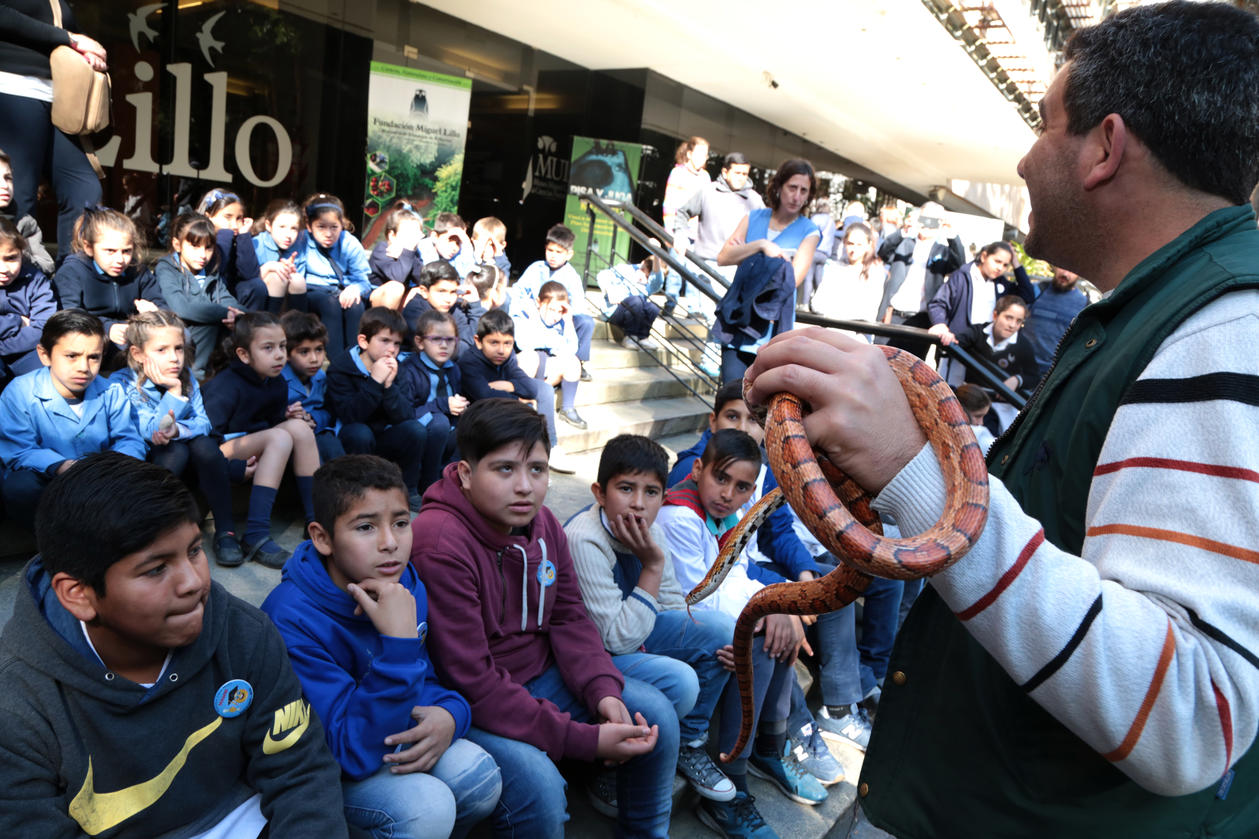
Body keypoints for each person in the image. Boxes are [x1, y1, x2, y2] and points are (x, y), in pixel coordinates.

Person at [744, 4, 1259, 836]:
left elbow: (1194, 716)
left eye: (1045, 126)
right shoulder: (1156, 317)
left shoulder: (1224, 331)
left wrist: (914, 471)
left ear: (1104, 147)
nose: (1024, 157)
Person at [0, 452, 347, 837]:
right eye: (155, 569)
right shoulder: (17, 705)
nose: (195, 582)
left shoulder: (243, 631)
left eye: (195, 550)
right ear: (78, 594)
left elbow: (299, 769)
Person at [410, 398, 678, 838]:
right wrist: (584, 740)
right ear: (464, 474)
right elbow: (472, 680)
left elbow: (571, 619)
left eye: (537, 469)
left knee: (655, 717)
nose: (525, 487)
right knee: (541, 788)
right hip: (472, 702)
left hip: (542, 673)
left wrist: (602, 692)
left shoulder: (545, 524)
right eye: (504, 469)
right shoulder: (440, 543)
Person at [261, 455, 501, 839]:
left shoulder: (404, 584)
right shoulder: (290, 619)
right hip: (329, 767)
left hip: (384, 730)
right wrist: (399, 646)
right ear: (322, 538)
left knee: (478, 777)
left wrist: (451, 714)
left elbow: (428, 677)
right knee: (427, 808)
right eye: (366, 527)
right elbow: (346, 752)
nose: (390, 544)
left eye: (401, 523)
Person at [657, 429, 825, 835]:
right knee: (762, 632)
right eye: (721, 479)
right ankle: (733, 779)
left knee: (777, 621)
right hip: (676, 627)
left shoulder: (723, 516)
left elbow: (735, 576)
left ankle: (768, 745)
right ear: (698, 470)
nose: (728, 493)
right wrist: (765, 611)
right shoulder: (679, 516)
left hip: (705, 620)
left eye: (742, 487)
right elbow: (699, 595)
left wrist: (775, 605)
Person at [565, 434, 737, 805]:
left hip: (634, 634)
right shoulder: (584, 540)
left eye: (652, 492)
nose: (639, 504)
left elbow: (674, 605)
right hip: (596, 656)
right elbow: (614, 639)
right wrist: (652, 566)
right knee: (683, 681)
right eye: (626, 488)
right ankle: (608, 769)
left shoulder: (651, 530)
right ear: (599, 492)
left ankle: (689, 741)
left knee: (723, 631)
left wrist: (700, 644)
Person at [112, 310, 245, 567]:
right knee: (176, 451)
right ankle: (156, 530)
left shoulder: (188, 377)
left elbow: (204, 423)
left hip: (192, 463)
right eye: (161, 350)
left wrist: (179, 430)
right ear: (138, 354)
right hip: (151, 465)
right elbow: (150, 431)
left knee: (204, 446)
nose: (174, 358)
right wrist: (173, 392)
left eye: (179, 349)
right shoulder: (123, 383)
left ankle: (226, 531)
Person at [0, 309, 145, 524]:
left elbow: (128, 439)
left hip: (102, 480)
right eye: (71, 356)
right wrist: (61, 465)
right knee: (20, 486)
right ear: (44, 355)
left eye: (93, 357)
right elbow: (19, 450)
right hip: (49, 480)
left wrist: (110, 468)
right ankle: (53, 547)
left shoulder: (111, 391)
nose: (84, 367)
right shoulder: (19, 392)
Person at [203, 312, 319, 569]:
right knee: (279, 436)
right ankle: (255, 534)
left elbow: (266, 420)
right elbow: (205, 441)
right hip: (219, 452)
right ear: (244, 355)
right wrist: (232, 468)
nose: (279, 355)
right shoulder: (225, 386)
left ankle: (314, 519)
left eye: (282, 346)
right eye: (268, 348)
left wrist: (288, 416)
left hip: (254, 444)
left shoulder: (276, 382)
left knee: (299, 428)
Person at [0, 1, 104, 256]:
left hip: (62, 99)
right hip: (13, 87)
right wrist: (71, 40)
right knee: (20, 197)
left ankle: (71, 282)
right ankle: (18, 285)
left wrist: (85, 52)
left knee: (85, 190)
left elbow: (69, 33)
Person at [715, 159, 821, 384]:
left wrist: (744, 253)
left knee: (758, 404)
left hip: (772, 330)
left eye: (804, 191)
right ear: (779, 186)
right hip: (738, 320)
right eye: (792, 187)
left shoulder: (809, 230)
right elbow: (723, 257)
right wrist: (761, 246)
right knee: (731, 394)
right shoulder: (754, 217)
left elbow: (792, 279)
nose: (797, 196)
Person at [326, 306, 426, 510]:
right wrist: (374, 382)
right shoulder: (341, 368)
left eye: (397, 343)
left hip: (383, 436)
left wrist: (388, 386)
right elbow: (350, 415)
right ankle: (361, 493)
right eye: (385, 341)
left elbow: (405, 415)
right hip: (353, 438)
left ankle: (408, 490)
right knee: (359, 432)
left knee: (415, 430)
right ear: (363, 341)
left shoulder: (397, 368)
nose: (392, 349)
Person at [456, 307, 573, 474]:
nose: (501, 350)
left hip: (504, 409)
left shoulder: (506, 357)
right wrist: (516, 396)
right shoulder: (470, 362)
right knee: (528, 413)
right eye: (494, 343)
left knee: (545, 388)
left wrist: (509, 385)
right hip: (479, 417)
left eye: (508, 343)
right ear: (478, 341)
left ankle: (551, 447)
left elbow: (531, 389)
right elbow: (485, 396)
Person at [53, 206, 166, 370]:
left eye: (126, 251)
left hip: (134, 332)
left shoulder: (138, 272)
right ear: (89, 247)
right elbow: (69, 315)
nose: (120, 259)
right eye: (110, 251)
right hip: (89, 336)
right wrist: (106, 328)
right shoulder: (72, 272)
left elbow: (160, 304)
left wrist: (155, 313)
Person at [926, 240, 1035, 385]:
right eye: (997, 261)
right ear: (984, 257)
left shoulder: (1001, 284)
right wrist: (941, 324)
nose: (1000, 268)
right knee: (948, 389)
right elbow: (938, 303)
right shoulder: (962, 277)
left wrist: (1016, 262)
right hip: (958, 345)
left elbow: (1027, 294)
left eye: (1005, 265)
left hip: (982, 353)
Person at [154, 212, 245, 379]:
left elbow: (225, 298)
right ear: (177, 245)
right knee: (208, 323)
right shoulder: (166, 268)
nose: (203, 255)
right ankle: (195, 378)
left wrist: (241, 315)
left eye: (208, 247)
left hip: (209, 341)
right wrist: (226, 313)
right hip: (180, 332)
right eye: (195, 246)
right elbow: (182, 308)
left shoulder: (210, 270)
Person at [876, 201, 966, 358]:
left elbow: (959, 265)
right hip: (892, 315)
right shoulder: (904, 243)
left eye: (934, 220)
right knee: (880, 360)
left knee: (912, 367)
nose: (928, 225)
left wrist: (951, 235)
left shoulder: (942, 252)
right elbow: (884, 252)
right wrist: (904, 229)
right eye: (925, 219)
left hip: (921, 319)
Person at [509, 223, 595, 380]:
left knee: (586, 322)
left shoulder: (571, 276)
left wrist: (559, 314)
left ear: (569, 254)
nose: (553, 256)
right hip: (533, 316)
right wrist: (525, 308)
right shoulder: (536, 268)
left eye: (559, 252)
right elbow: (517, 290)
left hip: (557, 319)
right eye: (550, 250)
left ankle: (577, 362)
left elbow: (578, 306)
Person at [396, 309, 467, 493]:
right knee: (440, 422)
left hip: (444, 432)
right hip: (417, 431)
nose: (444, 345)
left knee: (469, 424)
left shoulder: (453, 369)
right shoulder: (409, 370)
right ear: (419, 342)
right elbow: (407, 413)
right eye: (436, 339)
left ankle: (451, 482)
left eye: (450, 340)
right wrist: (443, 405)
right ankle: (426, 486)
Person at [953, 295, 1038, 433]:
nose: (1012, 325)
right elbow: (956, 342)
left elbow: (1034, 376)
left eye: (1018, 321)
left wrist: (1017, 380)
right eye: (1008, 317)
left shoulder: (1023, 345)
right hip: (972, 401)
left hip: (1001, 407)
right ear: (995, 315)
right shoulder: (978, 332)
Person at [300, 193, 370, 353]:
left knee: (355, 305)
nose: (328, 233)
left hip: (339, 290)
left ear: (342, 225)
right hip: (312, 290)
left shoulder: (349, 243)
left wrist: (355, 288)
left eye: (334, 227)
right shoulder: (302, 240)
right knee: (330, 304)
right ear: (309, 225)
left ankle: (355, 357)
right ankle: (336, 361)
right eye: (321, 227)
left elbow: (363, 280)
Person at [514, 280, 586, 430]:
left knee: (573, 361)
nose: (556, 316)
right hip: (527, 371)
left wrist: (568, 321)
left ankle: (567, 408)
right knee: (530, 357)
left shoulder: (561, 323)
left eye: (560, 311)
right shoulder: (525, 314)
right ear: (539, 302)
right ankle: (524, 403)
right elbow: (524, 343)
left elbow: (571, 349)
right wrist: (555, 342)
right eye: (552, 309)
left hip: (547, 373)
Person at [0, 214, 55, 382]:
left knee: (50, 377)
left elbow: (44, 328)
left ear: (21, 254)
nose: (3, 268)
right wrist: (17, 322)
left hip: (28, 352)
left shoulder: (36, 280)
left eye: (11, 258)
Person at [662, 136, 712, 317]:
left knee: (694, 271)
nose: (702, 158)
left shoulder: (706, 177)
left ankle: (693, 309)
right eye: (699, 153)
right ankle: (670, 303)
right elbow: (669, 203)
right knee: (676, 268)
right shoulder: (678, 173)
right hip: (679, 230)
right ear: (689, 154)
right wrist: (669, 232)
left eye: (705, 155)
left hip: (697, 233)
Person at [809, 221, 888, 336]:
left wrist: (835, 309)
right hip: (829, 332)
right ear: (845, 242)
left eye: (859, 244)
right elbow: (817, 302)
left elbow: (867, 311)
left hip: (855, 336)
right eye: (851, 243)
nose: (854, 249)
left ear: (868, 245)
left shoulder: (875, 272)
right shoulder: (834, 268)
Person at [199, 188, 271, 312]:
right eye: (228, 217)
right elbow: (216, 272)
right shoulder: (200, 241)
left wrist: (244, 236)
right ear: (208, 216)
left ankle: (248, 327)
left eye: (239, 218)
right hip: (210, 295)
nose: (234, 225)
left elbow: (249, 274)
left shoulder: (239, 238)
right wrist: (225, 235)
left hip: (233, 295)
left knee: (257, 286)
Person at [1021, 265, 1088, 383]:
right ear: (1055, 267)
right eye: (1063, 267)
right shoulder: (1036, 290)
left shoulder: (1084, 305)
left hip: (1050, 377)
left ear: (1079, 274)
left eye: (1072, 270)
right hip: (1020, 366)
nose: (1065, 274)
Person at [0, 147, 53, 275]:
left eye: (8, 178)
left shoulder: (25, 222)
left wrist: (16, 252)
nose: (5, 185)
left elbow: (47, 265)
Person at [251, 199, 308, 312]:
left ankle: (298, 325)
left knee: (297, 279)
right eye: (282, 227)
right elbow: (248, 281)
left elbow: (301, 277)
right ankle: (269, 323)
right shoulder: (256, 244)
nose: (288, 235)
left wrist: (291, 270)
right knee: (277, 278)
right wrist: (268, 267)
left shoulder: (299, 246)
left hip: (288, 300)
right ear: (268, 225)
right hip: (260, 300)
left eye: (293, 229)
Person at [595, 255, 664, 348]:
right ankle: (630, 337)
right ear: (642, 263)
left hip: (633, 312)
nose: (643, 276)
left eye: (647, 276)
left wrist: (657, 255)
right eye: (643, 270)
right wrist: (609, 290)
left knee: (653, 307)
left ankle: (642, 337)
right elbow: (603, 274)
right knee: (636, 300)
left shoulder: (648, 285)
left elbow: (657, 281)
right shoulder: (625, 269)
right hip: (614, 310)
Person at [368, 203, 425, 310]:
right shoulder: (382, 249)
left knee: (421, 291)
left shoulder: (413, 251)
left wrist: (406, 254)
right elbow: (397, 277)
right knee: (395, 287)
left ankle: (404, 325)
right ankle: (384, 325)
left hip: (400, 300)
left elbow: (422, 279)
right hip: (377, 299)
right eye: (408, 233)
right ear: (392, 235)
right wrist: (407, 252)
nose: (413, 238)